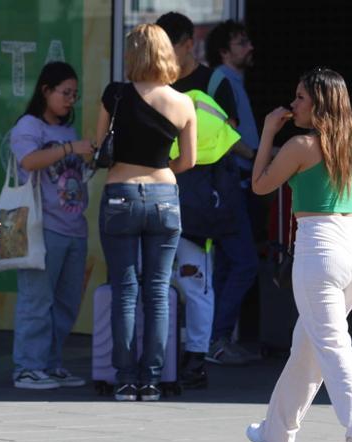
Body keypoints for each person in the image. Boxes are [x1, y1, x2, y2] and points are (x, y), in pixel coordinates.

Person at [246, 68, 352, 442]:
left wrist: (267, 133)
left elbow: (259, 184)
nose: (293, 104)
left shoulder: (300, 145)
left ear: (320, 104)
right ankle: (276, 433)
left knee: (330, 346)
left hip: (319, 250)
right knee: (308, 346)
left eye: (300, 98)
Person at [93, 24, 196, 402]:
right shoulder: (183, 103)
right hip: (165, 197)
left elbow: (98, 146)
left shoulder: (115, 95)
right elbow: (189, 160)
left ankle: (124, 378)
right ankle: (151, 379)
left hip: (119, 193)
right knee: (157, 290)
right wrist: (160, 166)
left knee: (124, 289)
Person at [156, 11, 231, 390]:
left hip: (197, 201)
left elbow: (226, 139)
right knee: (158, 283)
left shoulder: (210, 82)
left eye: (170, 47)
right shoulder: (149, 85)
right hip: (158, 198)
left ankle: (195, 357)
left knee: (195, 282)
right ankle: (163, 355)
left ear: (188, 44)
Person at [7, 61, 92, 390]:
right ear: (46, 91)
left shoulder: (66, 131)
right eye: (65, 92)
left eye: (74, 94)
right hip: (41, 226)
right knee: (36, 301)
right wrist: (71, 148)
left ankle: (50, 364)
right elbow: (28, 160)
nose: (71, 100)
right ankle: (27, 367)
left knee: (66, 303)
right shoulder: (29, 126)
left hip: (73, 226)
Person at [203, 20, 261, 366]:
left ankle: (214, 339)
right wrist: (256, 158)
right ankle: (217, 338)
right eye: (241, 42)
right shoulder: (223, 81)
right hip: (230, 184)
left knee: (226, 266)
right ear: (224, 51)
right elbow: (226, 133)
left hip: (230, 185)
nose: (249, 47)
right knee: (244, 263)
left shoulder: (231, 81)